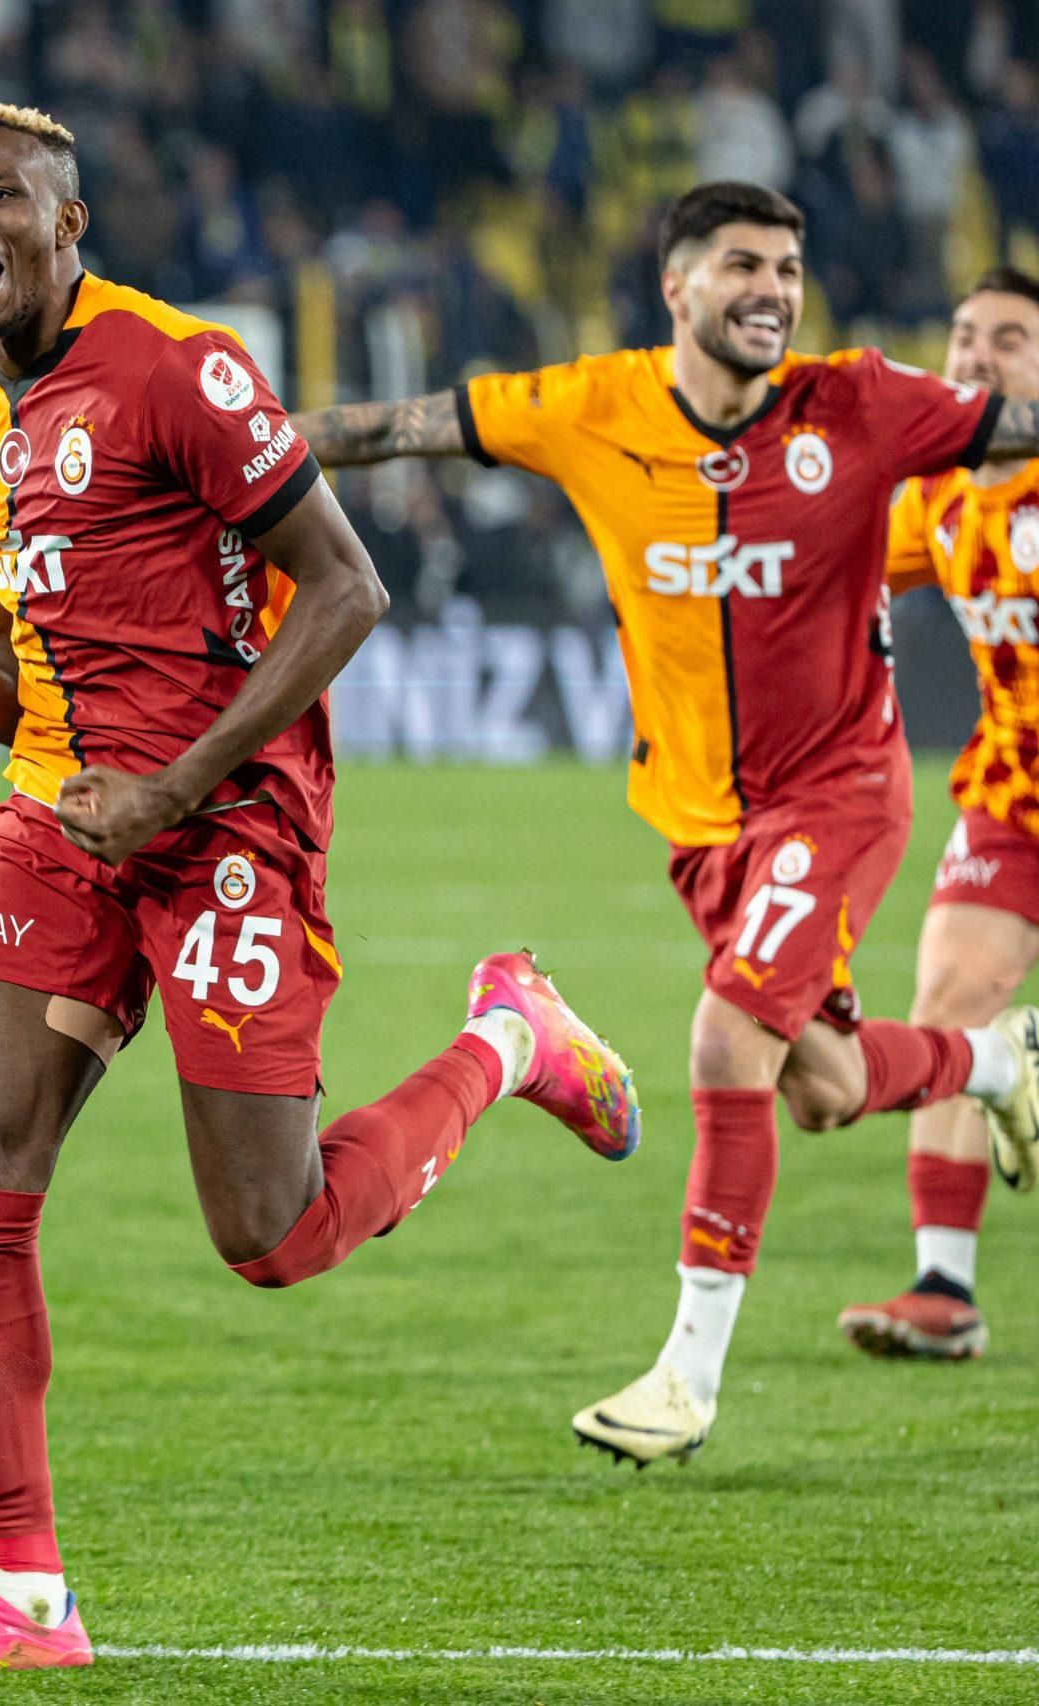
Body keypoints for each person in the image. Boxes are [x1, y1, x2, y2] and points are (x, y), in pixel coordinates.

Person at [0, 102, 642, 1675]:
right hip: (62, 810)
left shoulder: (178, 367)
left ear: (70, 225)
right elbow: (3, 683)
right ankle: (26, 1599)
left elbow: (349, 587)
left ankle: (509, 1039)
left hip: (230, 814)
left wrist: (179, 788)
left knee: (271, 1229)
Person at [291, 181, 1039, 1468]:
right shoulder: (594, 406)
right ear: (676, 288)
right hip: (699, 823)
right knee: (822, 1084)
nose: (770, 288)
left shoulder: (856, 402)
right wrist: (216, 446)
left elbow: (1014, 420)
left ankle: (684, 1378)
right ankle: (998, 1066)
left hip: (843, 791)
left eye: (788, 266)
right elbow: (399, 426)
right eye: (741, 263)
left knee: (724, 1034)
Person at [839, 269, 1039, 1360]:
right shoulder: (940, 494)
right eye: (964, 335)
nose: (976, 355)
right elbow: (838, 567)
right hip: (1013, 790)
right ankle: (942, 1287)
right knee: (949, 1005)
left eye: (1009, 339)